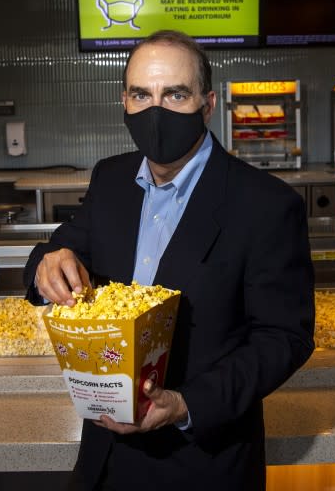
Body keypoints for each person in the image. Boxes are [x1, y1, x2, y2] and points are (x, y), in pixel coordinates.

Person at [24, 30, 315, 491]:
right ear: (125, 101)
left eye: (175, 94)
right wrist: (47, 261)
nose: (155, 110)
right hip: (102, 461)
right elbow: (61, 248)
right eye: (142, 94)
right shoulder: (112, 179)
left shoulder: (265, 204)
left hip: (201, 463)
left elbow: (284, 338)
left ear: (208, 103)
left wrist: (185, 404)